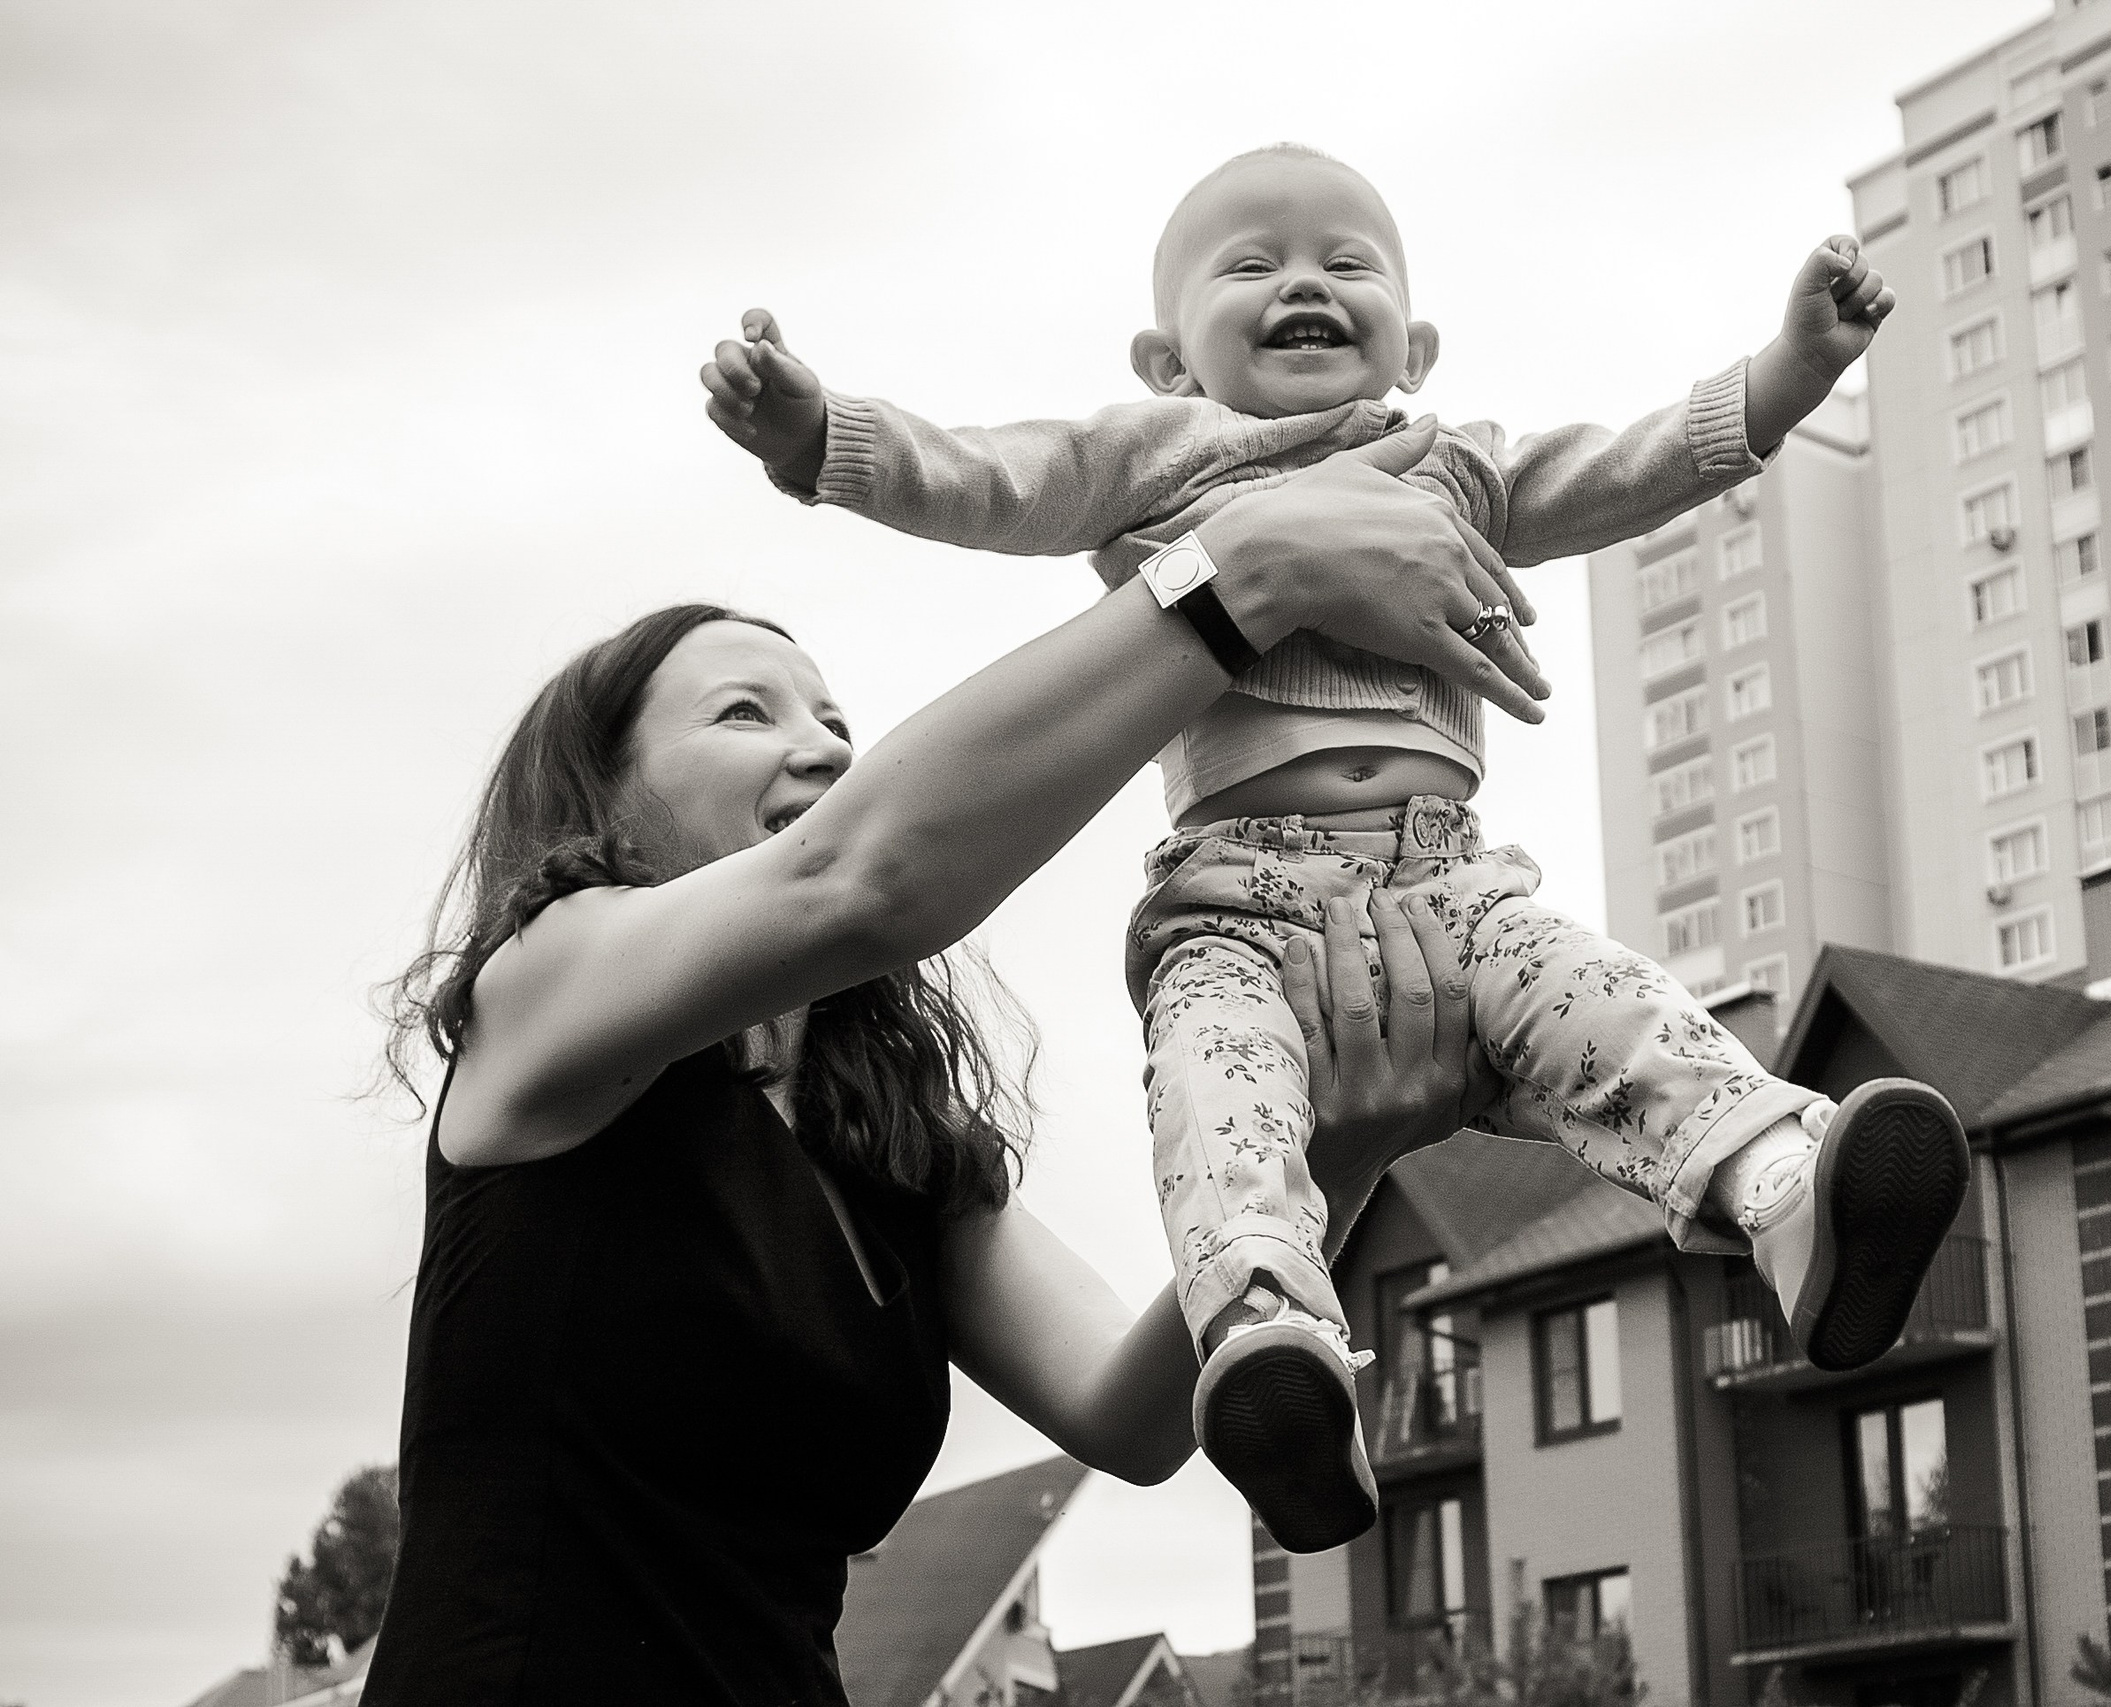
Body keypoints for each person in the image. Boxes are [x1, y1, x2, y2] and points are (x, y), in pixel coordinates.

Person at [696, 143, 1971, 1555]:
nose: (1304, 278)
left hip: (1455, 886)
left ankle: (1788, 1193)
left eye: (1345, 262)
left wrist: (1793, 366)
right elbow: (991, 480)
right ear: (1166, 359)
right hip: (1240, 905)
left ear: (1412, 343)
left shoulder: (1459, 468)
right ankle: (1267, 1341)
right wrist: (821, 437)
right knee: (1223, 1096)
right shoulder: (1152, 459)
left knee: (1620, 1013)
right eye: (1252, 263)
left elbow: (1630, 469)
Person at [360, 443, 1538, 1707]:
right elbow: (862, 881)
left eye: (835, 723)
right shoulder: (541, 993)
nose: (820, 749)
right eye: (744, 712)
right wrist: (1244, 574)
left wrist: (1339, 1155)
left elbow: (1130, 1420)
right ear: (606, 797)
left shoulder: (892, 1152)